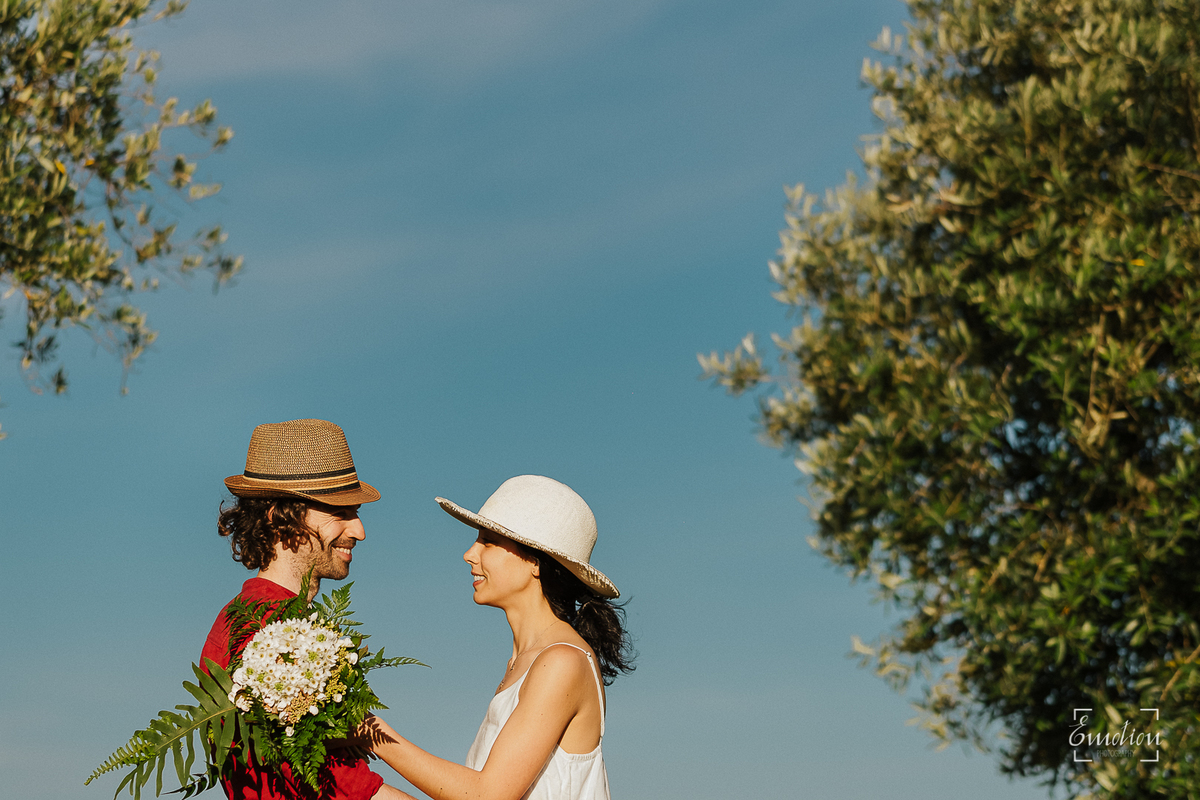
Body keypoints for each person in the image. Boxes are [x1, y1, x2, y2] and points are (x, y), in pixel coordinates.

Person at [362, 474, 635, 800]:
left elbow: (487, 795)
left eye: (488, 541)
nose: (469, 554)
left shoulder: (562, 661)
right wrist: (357, 789)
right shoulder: (525, 662)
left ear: (535, 561)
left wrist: (368, 733)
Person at [201, 418, 415, 800]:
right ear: (280, 516)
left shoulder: (248, 618)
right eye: (340, 512)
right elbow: (343, 790)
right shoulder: (268, 630)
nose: (359, 531)